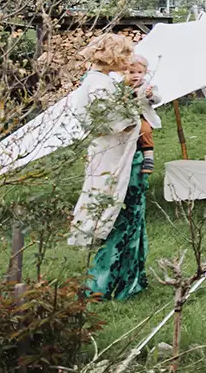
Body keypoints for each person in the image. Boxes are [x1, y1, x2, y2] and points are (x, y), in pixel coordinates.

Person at [68, 34, 158, 300]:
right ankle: (111, 284)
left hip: (119, 156)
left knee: (124, 217)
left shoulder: (100, 81)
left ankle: (127, 279)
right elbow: (121, 123)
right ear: (113, 56)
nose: (129, 60)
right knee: (123, 218)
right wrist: (133, 110)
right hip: (120, 160)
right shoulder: (100, 85)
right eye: (125, 55)